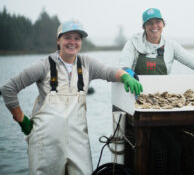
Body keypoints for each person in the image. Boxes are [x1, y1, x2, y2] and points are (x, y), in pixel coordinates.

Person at [1, 19, 143, 175]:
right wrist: (22, 120)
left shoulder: (87, 63)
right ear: (58, 40)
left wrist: (125, 76)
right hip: (45, 144)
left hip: (78, 144)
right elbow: (8, 89)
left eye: (77, 38)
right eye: (67, 37)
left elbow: (109, 71)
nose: (72, 42)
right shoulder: (43, 65)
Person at [119, 8, 194, 81]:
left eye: (158, 22)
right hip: (134, 91)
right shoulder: (133, 42)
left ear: (163, 24)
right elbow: (123, 66)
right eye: (150, 23)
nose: (154, 26)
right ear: (144, 27)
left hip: (158, 95)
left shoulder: (170, 45)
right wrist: (128, 74)